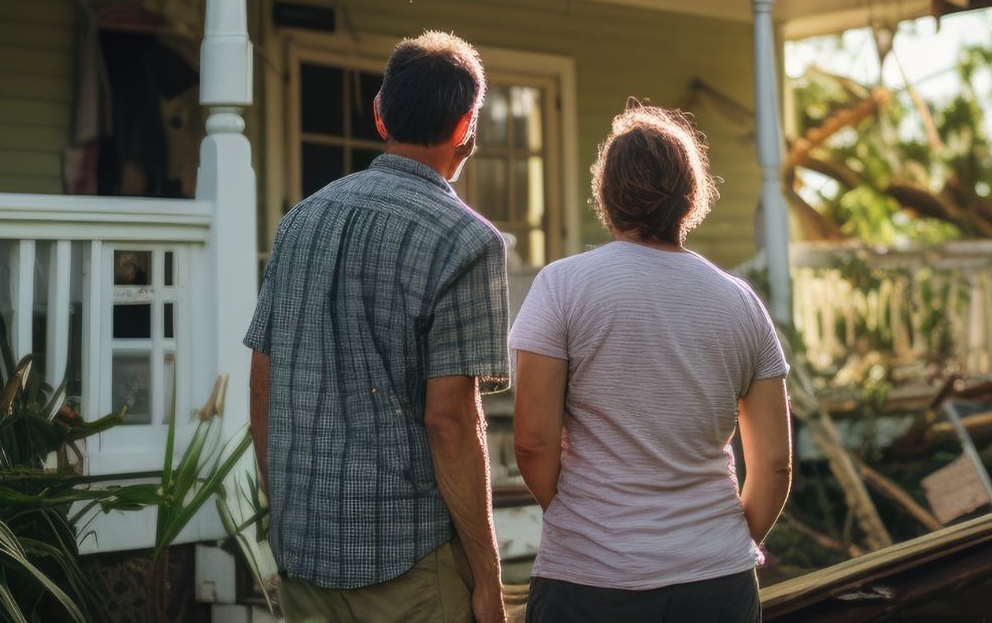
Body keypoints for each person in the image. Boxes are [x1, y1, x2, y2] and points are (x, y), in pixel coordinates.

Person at [246, 31, 510, 623]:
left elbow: (263, 380)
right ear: (466, 124)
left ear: (379, 114)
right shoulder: (467, 241)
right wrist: (489, 576)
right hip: (407, 561)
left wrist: (284, 506)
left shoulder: (299, 222)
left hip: (303, 549)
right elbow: (450, 419)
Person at [510, 104, 794, 623]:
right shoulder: (740, 302)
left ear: (607, 195)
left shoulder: (562, 285)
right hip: (716, 582)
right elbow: (775, 464)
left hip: (589, 580)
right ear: (691, 198)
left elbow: (531, 441)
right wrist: (721, 543)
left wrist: (585, 525)